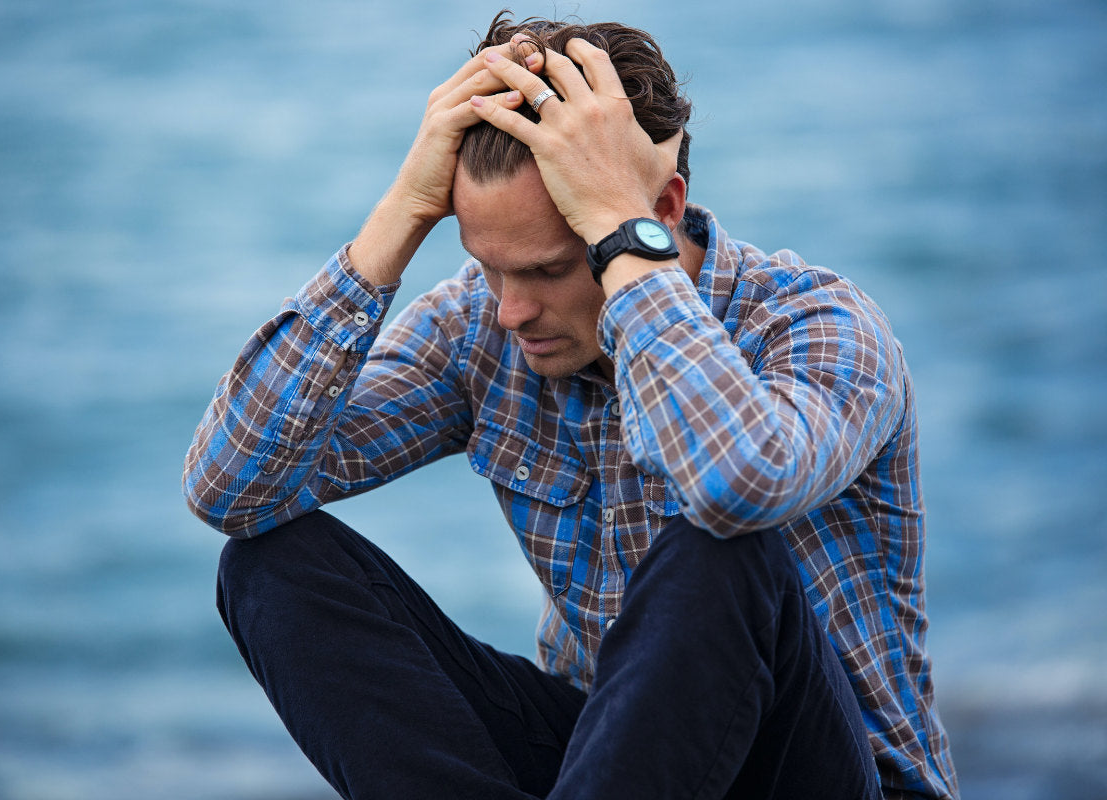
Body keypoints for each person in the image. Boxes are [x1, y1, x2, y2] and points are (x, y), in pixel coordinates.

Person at [183, 11, 960, 800]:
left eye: (550, 270)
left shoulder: (817, 326)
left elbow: (735, 483)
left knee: (723, 545)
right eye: (489, 267)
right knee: (270, 567)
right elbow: (230, 489)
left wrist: (623, 242)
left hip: (825, 775)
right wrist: (401, 214)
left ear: (658, 210)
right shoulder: (480, 330)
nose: (512, 310)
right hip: (608, 759)